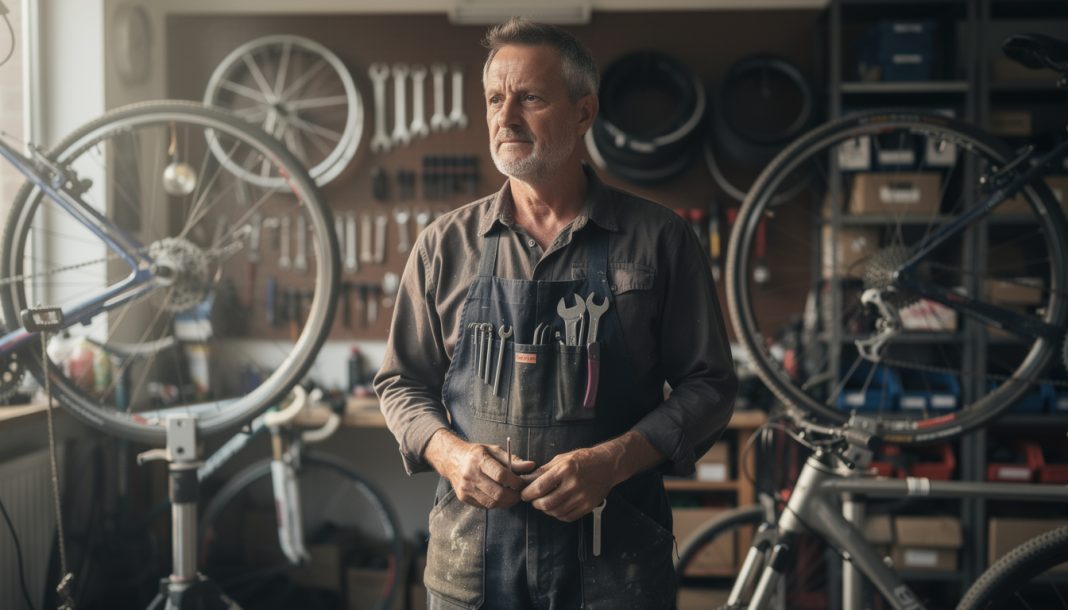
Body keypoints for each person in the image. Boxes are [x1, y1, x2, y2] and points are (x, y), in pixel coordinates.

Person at [374, 17, 737, 610]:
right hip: (475, 564)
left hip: (615, 565)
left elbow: (711, 386)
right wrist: (450, 453)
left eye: (531, 98)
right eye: (495, 98)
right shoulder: (445, 246)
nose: (505, 117)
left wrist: (612, 461)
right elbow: (399, 382)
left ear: (584, 112)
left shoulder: (658, 240)